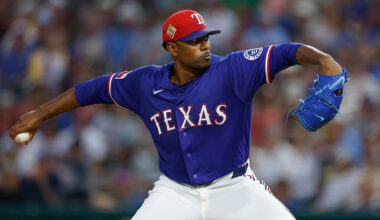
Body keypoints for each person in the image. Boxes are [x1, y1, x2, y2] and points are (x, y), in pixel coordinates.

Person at [10, 10, 344, 220]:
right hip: (175, 192)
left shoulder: (233, 69)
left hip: (235, 187)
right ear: (173, 49)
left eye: (205, 38)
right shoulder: (145, 83)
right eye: (194, 41)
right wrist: (39, 114)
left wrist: (325, 59)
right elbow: (90, 90)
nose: (205, 45)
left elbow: (287, 52)